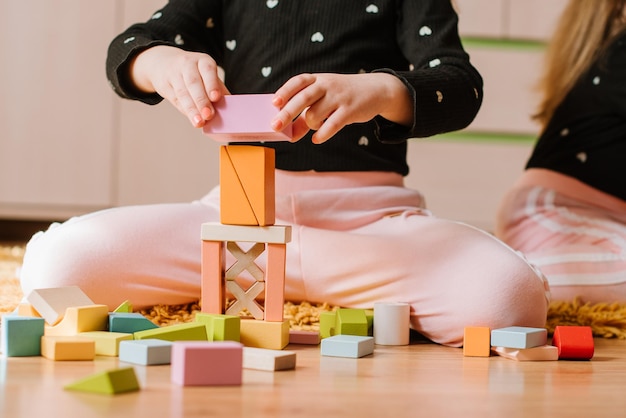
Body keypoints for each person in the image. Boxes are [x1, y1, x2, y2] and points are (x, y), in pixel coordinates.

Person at [19, 0, 549, 347]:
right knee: (56, 266)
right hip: (236, 220)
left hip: (370, 226)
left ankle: (325, 283)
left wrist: (377, 91)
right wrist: (162, 65)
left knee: (509, 299)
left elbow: (459, 84)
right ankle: (296, 285)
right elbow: (130, 47)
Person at [495, 0, 626, 304]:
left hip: (604, 222)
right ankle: (497, 281)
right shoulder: (619, 54)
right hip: (553, 212)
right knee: (513, 293)